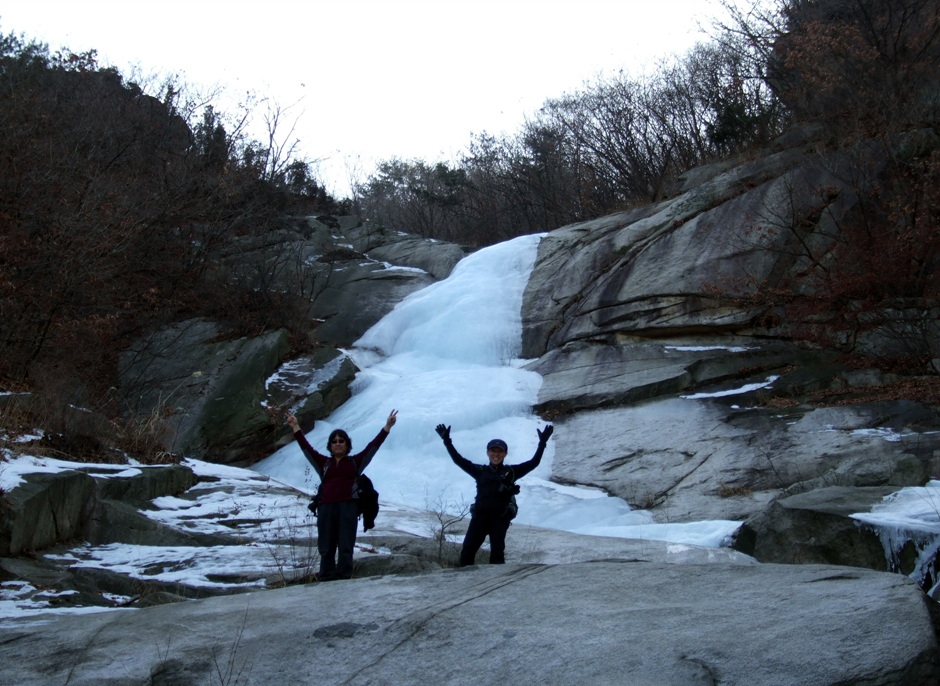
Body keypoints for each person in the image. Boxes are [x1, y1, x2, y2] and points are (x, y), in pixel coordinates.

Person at [286, 409, 397, 581]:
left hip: (348, 507)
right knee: (326, 547)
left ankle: (344, 578)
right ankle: (326, 578)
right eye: (334, 441)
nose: (338, 444)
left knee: (346, 546)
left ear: (347, 444)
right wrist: (296, 427)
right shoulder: (323, 463)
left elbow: (373, 447)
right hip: (326, 507)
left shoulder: (355, 462)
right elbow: (306, 448)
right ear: (330, 446)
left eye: (341, 441)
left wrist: (387, 427)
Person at [435, 423, 553, 566]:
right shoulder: (480, 471)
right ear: (487, 453)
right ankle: (466, 583)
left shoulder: (511, 472)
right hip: (480, 517)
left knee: (497, 554)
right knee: (467, 551)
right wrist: (447, 441)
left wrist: (542, 443)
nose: (496, 454)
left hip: (499, 519)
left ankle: (496, 586)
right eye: (493, 451)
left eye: (499, 452)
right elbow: (458, 461)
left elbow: (533, 463)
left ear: (505, 454)